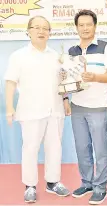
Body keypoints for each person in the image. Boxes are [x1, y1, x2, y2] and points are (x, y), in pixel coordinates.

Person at [4, 16, 70, 203]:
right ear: (29, 31)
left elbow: (62, 81)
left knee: (55, 148)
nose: (41, 31)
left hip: (55, 110)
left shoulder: (56, 56)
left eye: (45, 28)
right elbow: (10, 83)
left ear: (50, 32)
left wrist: (65, 100)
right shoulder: (18, 56)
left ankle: (53, 182)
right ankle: (30, 185)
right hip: (30, 111)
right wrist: (10, 108)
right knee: (30, 149)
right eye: (37, 28)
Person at [68, 9, 107, 205]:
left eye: (89, 24)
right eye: (81, 25)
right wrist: (65, 95)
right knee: (82, 148)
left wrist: (95, 77)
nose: (85, 28)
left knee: (100, 149)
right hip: (77, 106)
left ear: (95, 26)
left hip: (98, 107)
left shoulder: (106, 47)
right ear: (77, 28)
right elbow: (66, 78)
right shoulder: (71, 51)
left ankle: (100, 187)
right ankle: (87, 182)